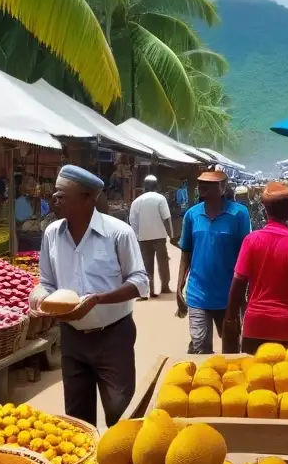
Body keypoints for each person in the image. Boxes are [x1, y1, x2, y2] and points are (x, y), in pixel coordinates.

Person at [30, 165, 148, 427]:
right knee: (77, 419)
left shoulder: (118, 233)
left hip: (113, 337)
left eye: (62, 195)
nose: (54, 200)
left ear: (87, 199)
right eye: (55, 194)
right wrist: (40, 299)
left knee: (120, 415)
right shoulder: (52, 234)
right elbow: (46, 282)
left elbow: (139, 281)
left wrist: (98, 299)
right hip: (72, 339)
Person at [225, 182, 288, 354]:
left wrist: (231, 318)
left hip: (255, 324)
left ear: (265, 210)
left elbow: (239, 282)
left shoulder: (251, 240)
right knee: (286, 379)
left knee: (252, 377)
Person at [176, 170, 251, 354]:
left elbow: (247, 252)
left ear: (223, 187)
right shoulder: (192, 215)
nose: (203, 187)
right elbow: (186, 251)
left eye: (210, 184)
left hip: (230, 295)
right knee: (200, 345)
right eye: (201, 183)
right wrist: (179, 286)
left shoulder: (239, 214)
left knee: (231, 349)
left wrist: (246, 291)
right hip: (198, 293)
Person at [128, 175, 173, 298]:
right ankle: (165, 287)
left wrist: (137, 235)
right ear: (156, 186)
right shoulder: (160, 198)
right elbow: (166, 218)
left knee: (147, 264)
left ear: (144, 187)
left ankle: (150, 290)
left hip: (143, 237)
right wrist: (171, 235)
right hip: (159, 237)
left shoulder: (137, 201)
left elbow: (132, 220)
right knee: (163, 262)